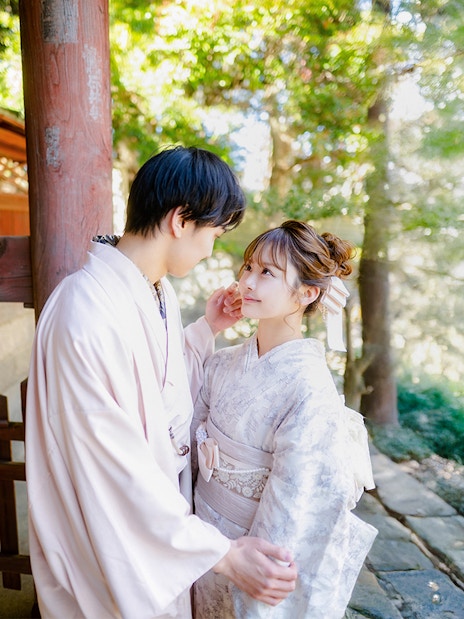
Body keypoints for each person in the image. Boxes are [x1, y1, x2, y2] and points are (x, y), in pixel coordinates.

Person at [25, 146, 297, 619]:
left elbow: (158, 394)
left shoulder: (156, 290)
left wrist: (204, 330)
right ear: (180, 220)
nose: (214, 246)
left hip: (157, 527)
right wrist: (224, 553)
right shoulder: (83, 314)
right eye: (214, 230)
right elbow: (115, 470)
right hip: (108, 540)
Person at [191, 220, 378, 618]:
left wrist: (259, 579)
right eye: (248, 267)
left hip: (252, 550)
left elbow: (294, 505)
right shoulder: (223, 362)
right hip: (201, 543)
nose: (248, 283)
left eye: (267, 273)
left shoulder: (310, 388)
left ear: (307, 293)